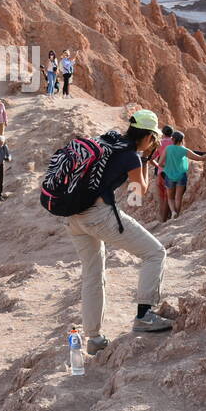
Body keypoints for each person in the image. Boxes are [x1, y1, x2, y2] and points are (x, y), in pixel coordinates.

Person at [65, 110, 171, 352]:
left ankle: (94, 339)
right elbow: (138, 194)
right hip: (98, 216)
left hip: (73, 217)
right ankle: (144, 315)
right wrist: (144, 161)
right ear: (148, 137)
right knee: (155, 253)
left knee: (93, 273)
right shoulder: (132, 156)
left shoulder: (109, 140)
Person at [162, 130, 206, 218]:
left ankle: (173, 212)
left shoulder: (168, 148)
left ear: (172, 139)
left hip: (169, 175)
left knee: (170, 198)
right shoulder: (184, 150)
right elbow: (200, 158)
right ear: (182, 140)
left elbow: (160, 163)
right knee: (178, 197)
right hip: (181, 175)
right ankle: (177, 215)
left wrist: (167, 166)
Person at [151, 124, 175, 222]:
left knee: (162, 197)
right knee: (169, 196)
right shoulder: (175, 142)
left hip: (161, 173)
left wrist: (158, 166)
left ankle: (163, 220)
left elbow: (151, 158)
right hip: (173, 172)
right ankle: (166, 219)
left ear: (163, 133)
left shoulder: (159, 143)